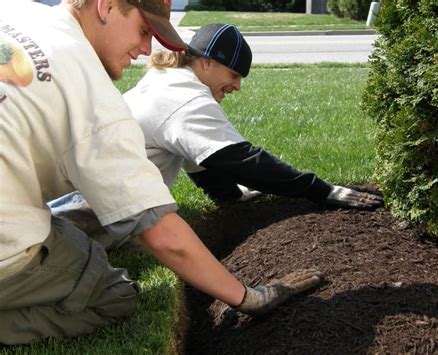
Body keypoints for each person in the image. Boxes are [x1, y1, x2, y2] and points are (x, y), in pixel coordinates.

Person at [0, 1, 323, 345]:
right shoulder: (96, 100)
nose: (145, 50)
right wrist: (250, 297)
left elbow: (202, 167)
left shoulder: (17, 11)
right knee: (114, 293)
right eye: (143, 31)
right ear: (107, 6)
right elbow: (164, 236)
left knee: (69, 235)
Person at [123, 23, 384, 208]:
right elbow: (243, 161)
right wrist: (319, 189)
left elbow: (200, 155)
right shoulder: (186, 99)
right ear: (206, 62)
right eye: (233, 75)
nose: (237, 87)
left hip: (99, 198)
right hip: (103, 216)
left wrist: (229, 195)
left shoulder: (166, 79)